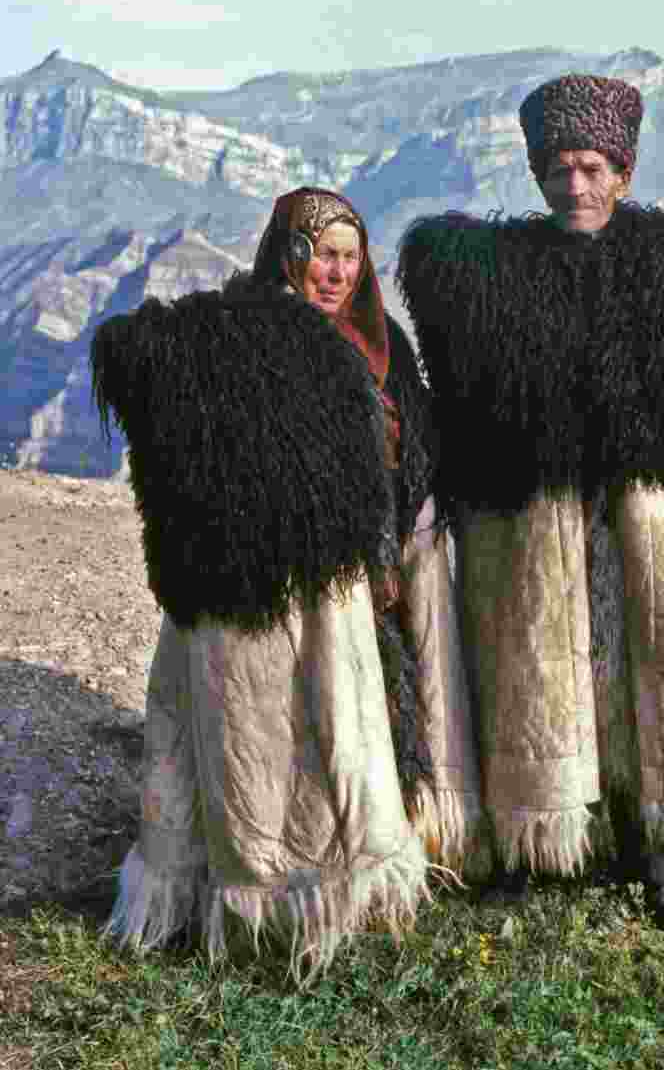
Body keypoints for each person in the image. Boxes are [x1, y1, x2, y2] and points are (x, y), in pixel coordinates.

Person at [396, 74, 664, 929]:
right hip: (543, 524)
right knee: (535, 671)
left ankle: (659, 850)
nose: (573, 187)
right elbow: (474, 400)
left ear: (623, 170)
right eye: (557, 171)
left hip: (635, 525)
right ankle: (532, 837)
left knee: (646, 672)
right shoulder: (500, 279)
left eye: (589, 168)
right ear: (537, 176)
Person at [91, 187, 481, 982]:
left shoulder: (383, 346)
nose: (335, 273)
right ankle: (287, 890)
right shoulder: (243, 339)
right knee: (295, 734)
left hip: (383, 557)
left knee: (379, 723)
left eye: (348, 256)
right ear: (290, 257)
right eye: (321, 256)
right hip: (292, 575)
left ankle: (382, 869)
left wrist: (403, 541)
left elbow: (417, 442)